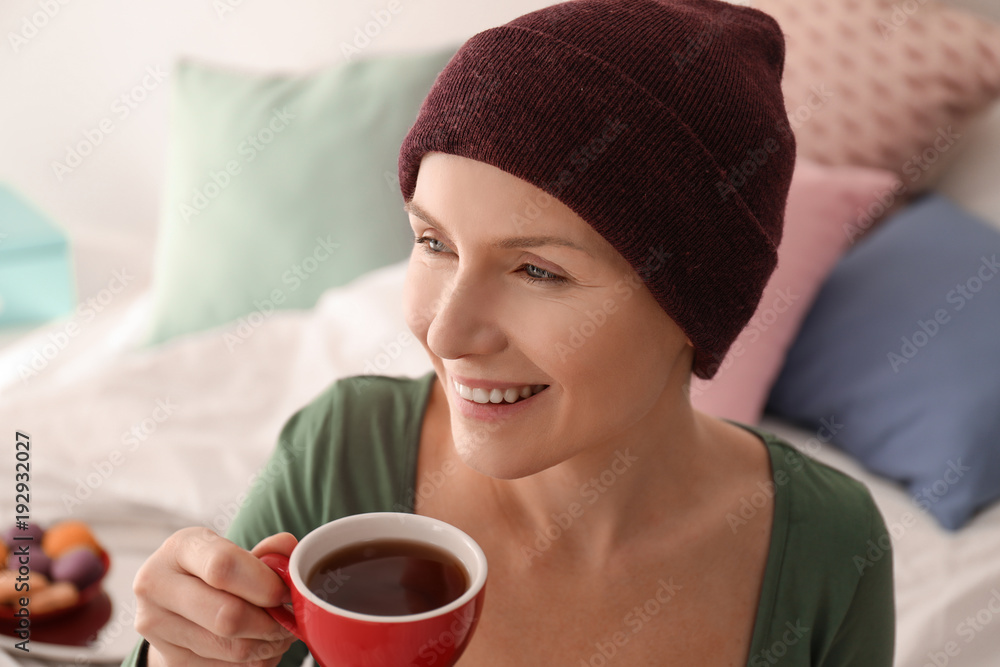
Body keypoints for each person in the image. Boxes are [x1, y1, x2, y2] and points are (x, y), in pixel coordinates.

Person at [124, 0, 896, 665]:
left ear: (692, 305)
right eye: (434, 243)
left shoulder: (828, 551)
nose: (449, 332)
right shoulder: (340, 453)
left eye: (536, 271)